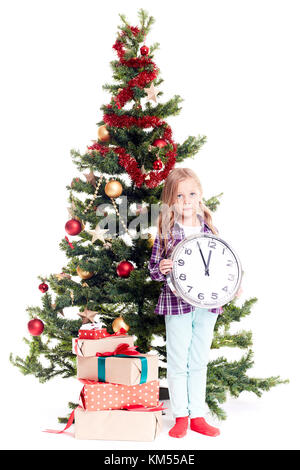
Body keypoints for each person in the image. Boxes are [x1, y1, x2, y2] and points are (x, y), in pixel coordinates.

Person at [148, 168, 242, 438]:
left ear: (200, 197)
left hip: (208, 303)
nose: (186, 200)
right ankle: (181, 416)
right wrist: (162, 268)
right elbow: (153, 269)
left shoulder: (209, 229)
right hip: (177, 303)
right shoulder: (166, 232)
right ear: (170, 201)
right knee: (178, 361)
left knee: (199, 360)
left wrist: (233, 284)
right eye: (179, 195)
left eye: (191, 194)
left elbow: (223, 262)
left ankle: (198, 414)